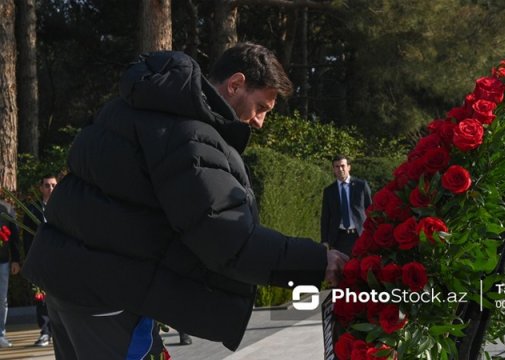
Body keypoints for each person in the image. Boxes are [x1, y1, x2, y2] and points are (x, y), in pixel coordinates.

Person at [22, 42, 347, 360]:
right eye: (261, 107)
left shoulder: (130, 108)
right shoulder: (190, 137)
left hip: (68, 287)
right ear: (236, 84)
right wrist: (318, 261)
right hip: (109, 299)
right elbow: (228, 240)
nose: (260, 122)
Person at [23, 175, 57, 347]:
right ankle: (45, 332)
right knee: (42, 298)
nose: (50, 189)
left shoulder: (65, 208)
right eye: (47, 185)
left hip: (61, 261)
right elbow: (27, 239)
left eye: (53, 185)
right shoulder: (32, 210)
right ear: (41, 188)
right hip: (40, 260)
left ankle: (59, 332)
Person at [321, 155, 372, 255]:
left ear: (349, 167)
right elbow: (325, 217)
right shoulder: (329, 191)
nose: (340, 169)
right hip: (338, 238)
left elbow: (370, 210)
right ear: (333, 169)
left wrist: (372, 234)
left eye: (342, 166)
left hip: (359, 235)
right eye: (337, 166)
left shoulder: (361, 186)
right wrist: (324, 241)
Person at [0, 199, 21, 348]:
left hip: (3, 261)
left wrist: (16, 260)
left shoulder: (7, 208)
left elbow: (14, 236)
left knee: (1, 299)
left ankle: (0, 333)